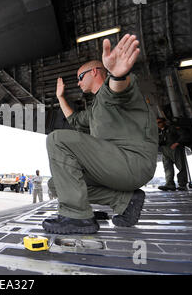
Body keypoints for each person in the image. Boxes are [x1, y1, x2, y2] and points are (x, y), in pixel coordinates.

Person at [43, 34, 158, 234]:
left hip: (132, 162)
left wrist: (117, 75)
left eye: (80, 77)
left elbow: (117, 90)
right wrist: (60, 97)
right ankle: (124, 201)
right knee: (56, 184)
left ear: (95, 72)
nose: (78, 83)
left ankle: (77, 218)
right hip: (117, 165)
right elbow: (75, 121)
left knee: (57, 139)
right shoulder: (96, 108)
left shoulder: (111, 91)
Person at [157, 118, 190, 191]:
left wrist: (177, 143)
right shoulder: (159, 131)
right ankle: (169, 184)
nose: (158, 124)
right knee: (167, 168)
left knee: (180, 166)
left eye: (159, 122)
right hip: (165, 151)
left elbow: (184, 135)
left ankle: (182, 184)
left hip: (175, 149)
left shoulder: (172, 128)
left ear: (164, 122)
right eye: (156, 123)